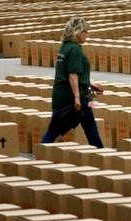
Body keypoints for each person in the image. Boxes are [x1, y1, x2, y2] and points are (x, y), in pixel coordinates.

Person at [41, 16, 105, 148]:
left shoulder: (65, 47)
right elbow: (72, 75)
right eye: (85, 32)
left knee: (58, 128)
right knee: (87, 128)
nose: (87, 35)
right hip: (73, 97)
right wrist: (77, 98)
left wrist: (89, 84)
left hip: (62, 94)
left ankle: (41, 151)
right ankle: (101, 154)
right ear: (79, 32)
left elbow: (70, 73)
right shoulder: (75, 49)